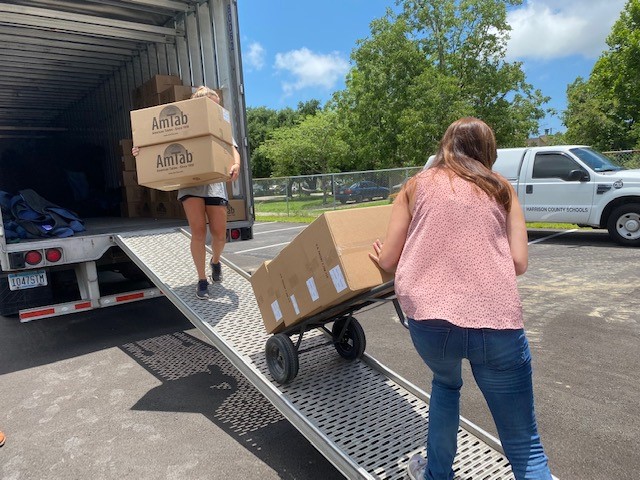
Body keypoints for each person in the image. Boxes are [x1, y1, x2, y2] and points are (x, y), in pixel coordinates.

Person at [369, 117, 552, 480]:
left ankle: (437, 474)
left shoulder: (415, 186)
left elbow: (389, 260)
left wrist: (380, 255)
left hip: (431, 322)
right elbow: (518, 262)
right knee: (525, 445)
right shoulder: (502, 188)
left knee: (446, 384)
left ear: (445, 145)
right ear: (489, 150)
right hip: (496, 324)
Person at [132, 86, 241, 299]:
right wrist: (140, 151)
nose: (216, 108)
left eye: (217, 104)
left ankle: (215, 261)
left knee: (220, 235)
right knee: (198, 231)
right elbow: (154, 144)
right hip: (189, 185)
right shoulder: (182, 124)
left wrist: (235, 165)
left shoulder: (220, 125)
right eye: (212, 104)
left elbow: (232, 148)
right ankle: (201, 280)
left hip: (215, 184)